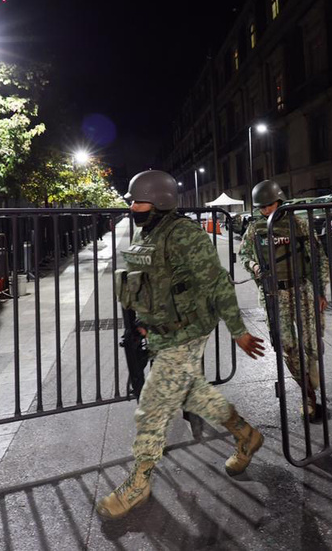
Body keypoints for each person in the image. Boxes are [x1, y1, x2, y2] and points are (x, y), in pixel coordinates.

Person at [97, 170, 266, 520]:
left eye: (138, 200)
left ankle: (139, 481)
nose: (132, 206)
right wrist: (146, 324)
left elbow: (218, 283)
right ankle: (246, 435)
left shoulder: (184, 235)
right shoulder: (150, 234)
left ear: (159, 202)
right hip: (162, 333)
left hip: (186, 333)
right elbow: (151, 286)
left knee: (153, 406)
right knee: (192, 394)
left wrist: (238, 330)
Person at [239, 180, 330, 421]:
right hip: (273, 294)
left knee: (311, 345)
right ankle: (308, 394)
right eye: (262, 207)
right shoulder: (255, 228)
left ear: (280, 201)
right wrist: (254, 265)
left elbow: (318, 258)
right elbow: (244, 255)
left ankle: (311, 382)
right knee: (287, 346)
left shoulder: (297, 224)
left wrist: (321, 292)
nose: (266, 211)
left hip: (302, 290)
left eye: (269, 205)